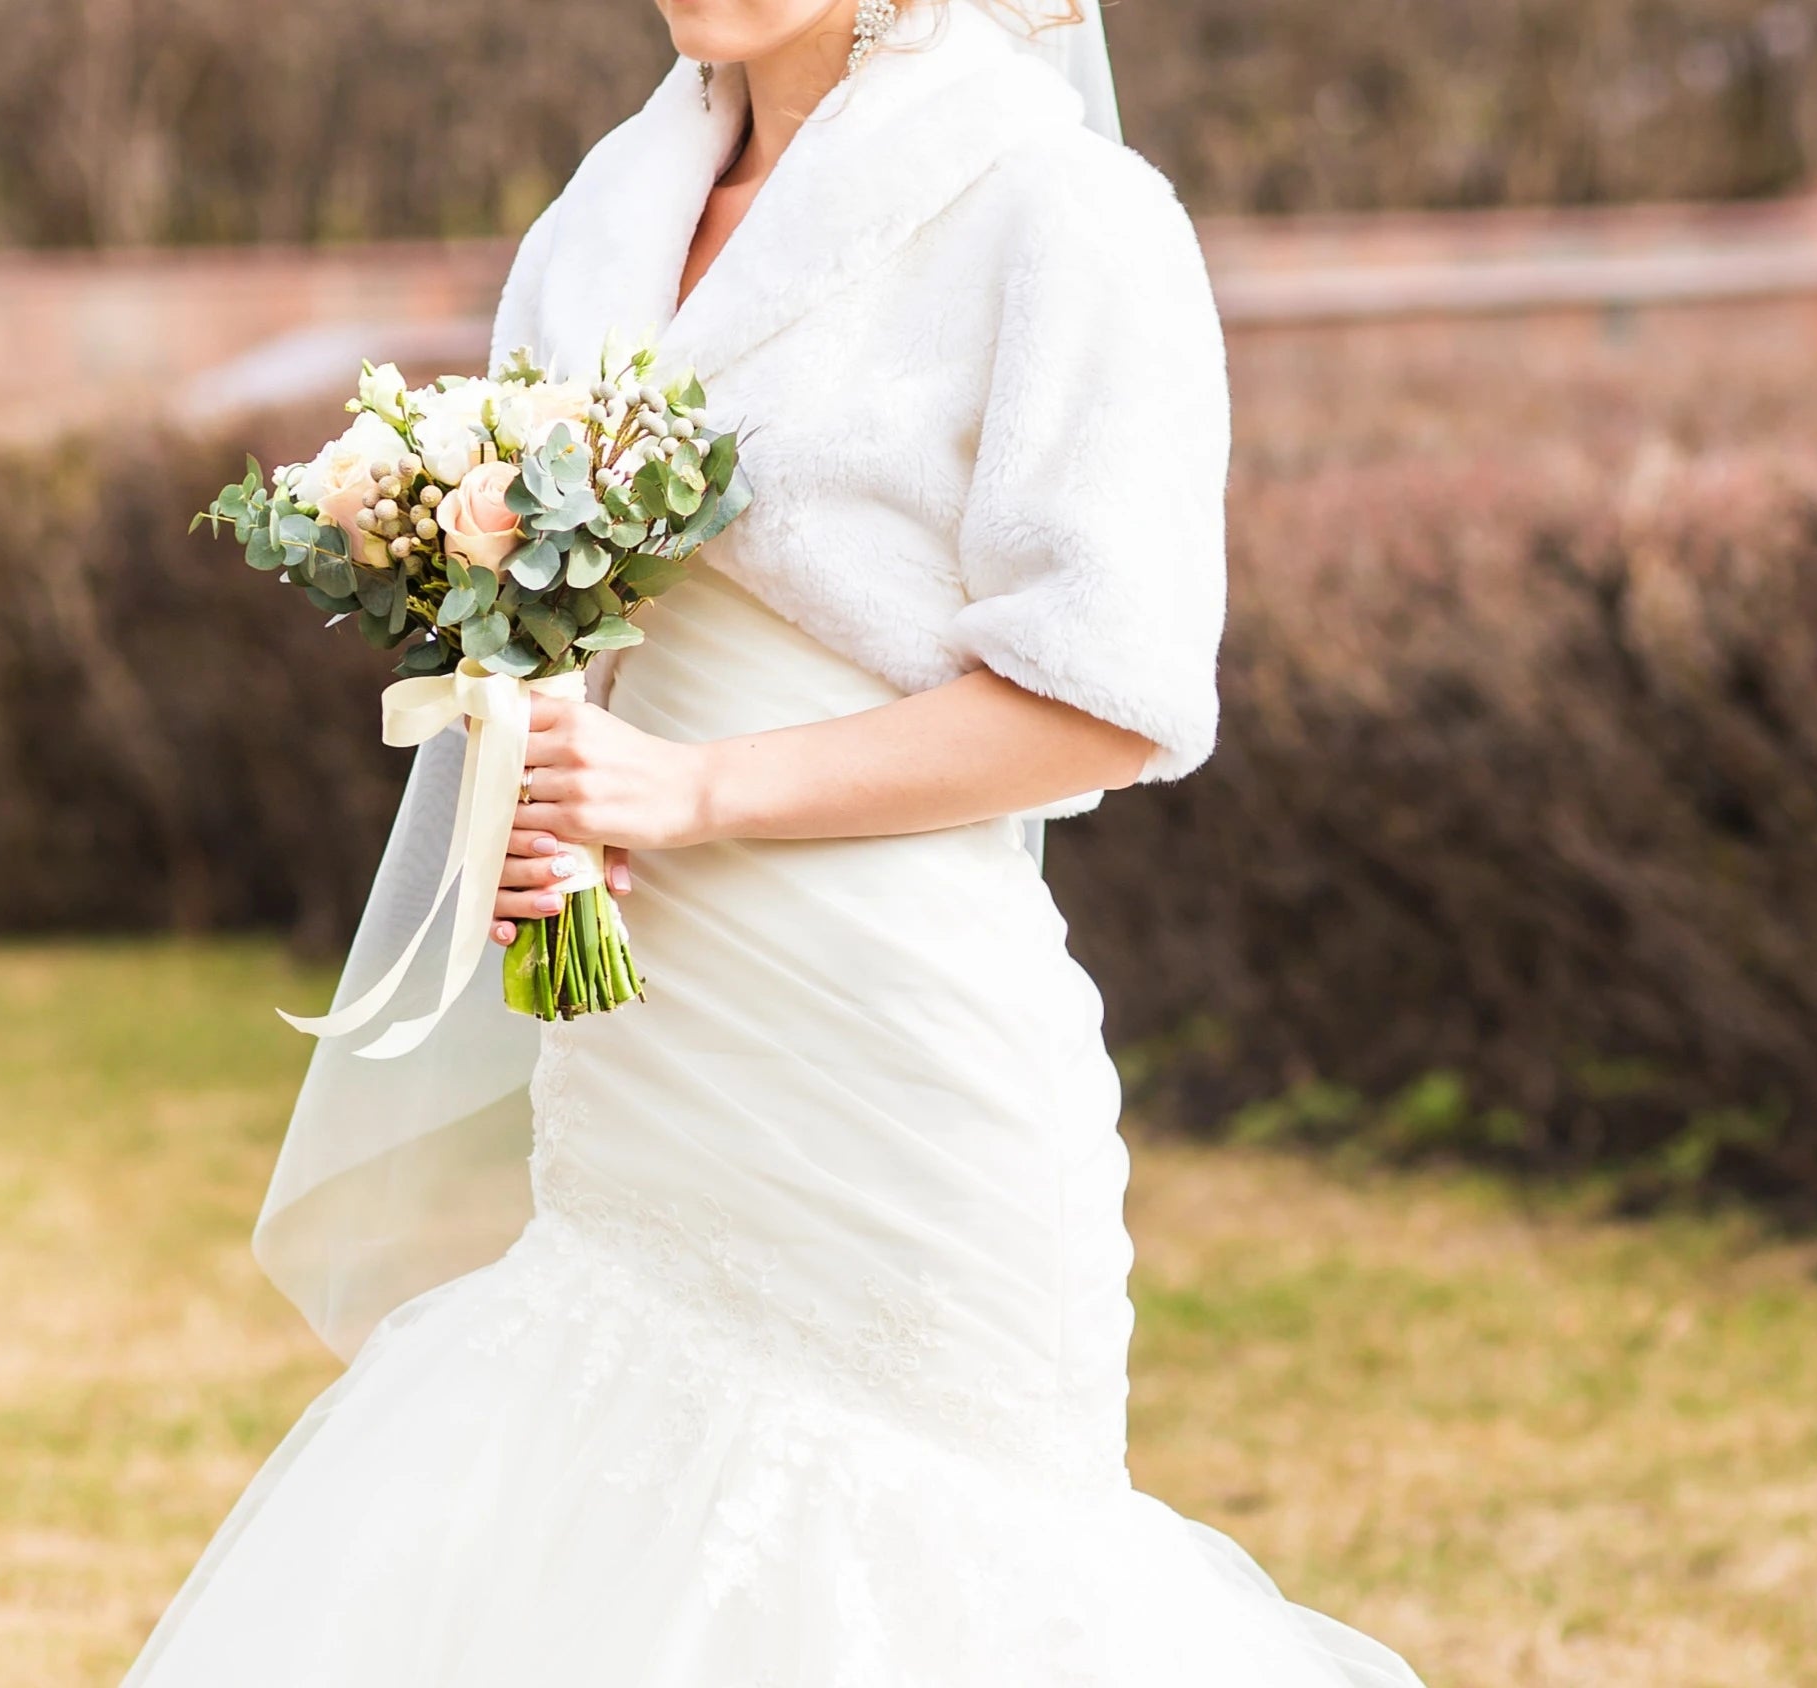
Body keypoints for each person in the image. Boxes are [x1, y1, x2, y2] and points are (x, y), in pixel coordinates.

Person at [125, 2, 1422, 1682]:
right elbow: (552, 639)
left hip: (898, 1065)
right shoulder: (601, 215)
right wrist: (551, 805)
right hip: (644, 1071)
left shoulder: (1063, 210)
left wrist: (689, 790)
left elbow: (1112, 698)